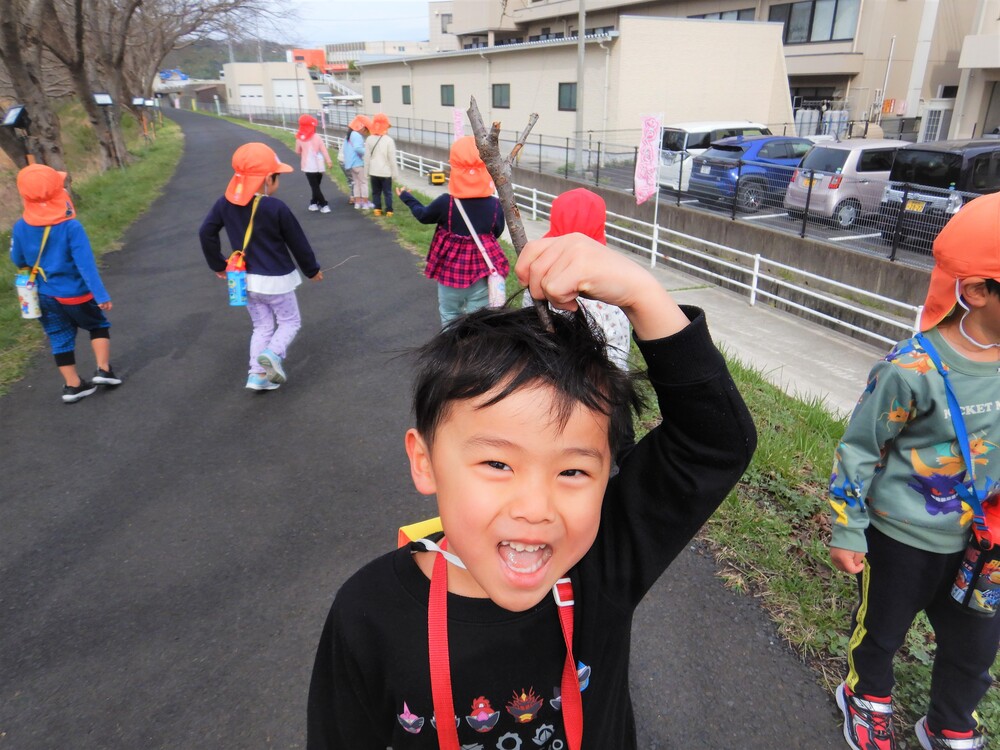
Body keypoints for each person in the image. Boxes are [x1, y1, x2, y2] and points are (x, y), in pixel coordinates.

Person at [306, 234, 757, 749]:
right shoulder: (367, 613)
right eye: (497, 463)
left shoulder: (603, 568)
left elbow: (714, 442)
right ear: (425, 462)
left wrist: (642, 295)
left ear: (609, 470)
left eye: (573, 473)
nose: (536, 509)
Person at [828, 191, 1000, 750]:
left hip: (985, 544)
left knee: (975, 645)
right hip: (901, 537)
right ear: (976, 291)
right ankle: (865, 696)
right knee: (882, 631)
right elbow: (859, 450)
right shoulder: (912, 369)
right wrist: (848, 527)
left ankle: (950, 723)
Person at [198, 142, 323, 392]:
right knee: (289, 322)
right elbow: (297, 242)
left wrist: (218, 263)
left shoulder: (224, 204)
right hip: (276, 281)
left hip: (245, 281)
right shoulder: (276, 207)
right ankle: (273, 354)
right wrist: (312, 269)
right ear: (267, 178)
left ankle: (256, 375)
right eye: (277, 177)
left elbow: (206, 232)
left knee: (262, 326)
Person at [524, 187, 635, 456]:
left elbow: (532, 327)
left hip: (563, 385)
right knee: (618, 447)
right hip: (612, 383)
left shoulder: (541, 281)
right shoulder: (616, 277)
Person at [9, 163, 122, 403]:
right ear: (59, 193)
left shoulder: (20, 226)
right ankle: (103, 370)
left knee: (59, 335)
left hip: (45, 295)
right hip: (76, 293)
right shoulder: (71, 226)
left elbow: (18, 259)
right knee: (97, 325)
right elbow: (86, 265)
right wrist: (101, 295)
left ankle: (73, 385)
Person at [397, 135, 507, 327]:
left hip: (449, 275)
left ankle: (450, 352)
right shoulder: (495, 205)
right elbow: (495, 232)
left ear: (454, 169)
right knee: (478, 321)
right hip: (481, 274)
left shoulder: (446, 203)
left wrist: (408, 198)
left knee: (449, 314)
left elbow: (423, 216)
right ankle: (474, 353)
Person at [294, 114, 333, 214]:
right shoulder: (317, 137)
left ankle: (323, 204)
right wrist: (328, 161)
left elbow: (297, 151)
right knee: (316, 186)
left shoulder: (299, 138)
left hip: (308, 166)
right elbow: (324, 150)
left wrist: (303, 154)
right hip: (319, 165)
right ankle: (314, 203)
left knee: (315, 186)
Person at [365, 112, 398, 216]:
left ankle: (377, 209)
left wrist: (366, 172)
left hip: (373, 171)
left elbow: (366, 158)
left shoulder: (369, 139)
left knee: (376, 192)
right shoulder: (389, 140)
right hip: (386, 172)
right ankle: (389, 210)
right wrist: (395, 174)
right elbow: (392, 159)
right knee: (387, 192)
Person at [343, 114, 371, 210]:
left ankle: (357, 203)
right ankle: (365, 203)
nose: (365, 132)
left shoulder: (349, 134)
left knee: (356, 183)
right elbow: (358, 148)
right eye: (365, 129)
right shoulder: (357, 135)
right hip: (358, 163)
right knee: (363, 183)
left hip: (350, 164)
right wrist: (368, 153)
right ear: (361, 126)